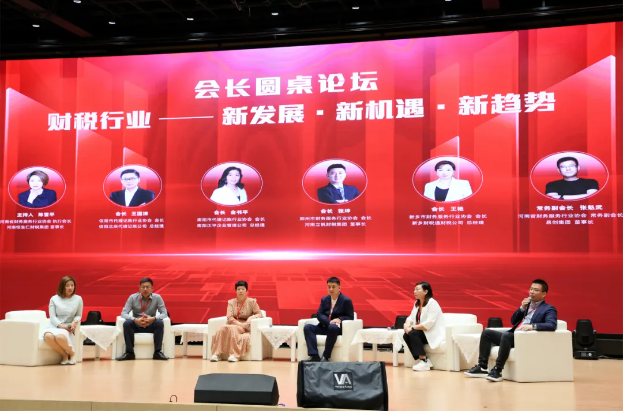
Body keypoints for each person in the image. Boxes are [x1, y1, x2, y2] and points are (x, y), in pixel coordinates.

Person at [464, 279, 557, 382]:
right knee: (487, 333)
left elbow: (551, 325)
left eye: (536, 290)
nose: (532, 292)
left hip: (526, 338)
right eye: (531, 289)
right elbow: (513, 321)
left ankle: (497, 370)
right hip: (514, 336)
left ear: (544, 294)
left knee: (507, 335)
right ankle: (482, 367)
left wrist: (533, 326)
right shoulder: (527, 305)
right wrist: (521, 308)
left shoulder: (548, 309)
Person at [210, 281, 263, 362]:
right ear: (236, 291)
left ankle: (234, 355)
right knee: (222, 328)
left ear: (246, 290)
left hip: (245, 325)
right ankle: (216, 354)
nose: (241, 291)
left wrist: (251, 318)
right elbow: (229, 317)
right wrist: (239, 324)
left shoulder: (252, 302)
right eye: (238, 289)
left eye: (243, 289)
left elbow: (259, 314)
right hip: (233, 323)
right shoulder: (231, 302)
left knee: (233, 329)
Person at [117, 277, 169, 361]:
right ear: (139, 288)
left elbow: (164, 313)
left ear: (152, 288)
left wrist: (153, 318)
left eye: (147, 287)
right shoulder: (133, 297)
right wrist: (135, 320)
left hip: (150, 324)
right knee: (127, 323)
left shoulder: (157, 298)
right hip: (136, 325)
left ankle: (157, 352)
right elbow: (124, 313)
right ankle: (129, 353)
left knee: (159, 323)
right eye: (143, 287)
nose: (145, 289)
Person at [303, 277, 354, 362]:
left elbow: (350, 316)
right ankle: (314, 355)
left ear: (339, 288)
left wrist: (339, 319)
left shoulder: (346, 300)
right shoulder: (324, 299)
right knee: (308, 327)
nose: (331, 289)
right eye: (329, 287)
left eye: (333, 287)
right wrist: (329, 322)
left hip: (336, 328)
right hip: (325, 325)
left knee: (332, 327)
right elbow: (319, 314)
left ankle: (325, 356)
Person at [403, 282, 445, 371]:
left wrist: (412, 327)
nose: (415, 291)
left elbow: (429, 323)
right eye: (414, 289)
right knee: (406, 335)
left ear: (426, 291)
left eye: (417, 289)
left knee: (413, 333)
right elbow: (411, 317)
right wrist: (407, 325)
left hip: (433, 333)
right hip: (424, 332)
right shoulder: (417, 303)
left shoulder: (432, 303)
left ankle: (424, 360)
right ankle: (421, 360)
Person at [42, 276, 83, 365]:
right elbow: (53, 317)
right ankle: (64, 355)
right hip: (55, 324)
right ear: (62, 286)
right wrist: (61, 326)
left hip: (68, 325)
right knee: (48, 336)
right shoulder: (54, 299)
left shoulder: (78, 299)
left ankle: (72, 353)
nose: (70, 288)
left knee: (60, 337)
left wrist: (74, 322)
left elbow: (78, 315)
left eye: (72, 285)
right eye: (67, 285)